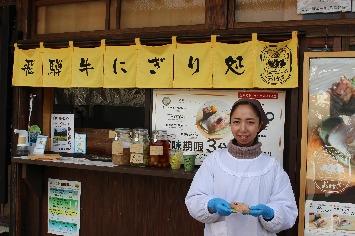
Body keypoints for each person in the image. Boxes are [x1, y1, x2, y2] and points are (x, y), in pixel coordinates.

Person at [185, 98, 298, 236]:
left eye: (250, 122)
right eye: (236, 122)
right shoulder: (214, 161)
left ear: (259, 125)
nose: (242, 129)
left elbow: (288, 211)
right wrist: (210, 205)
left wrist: (270, 213)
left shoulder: (271, 166)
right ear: (230, 124)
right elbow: (194, 199)